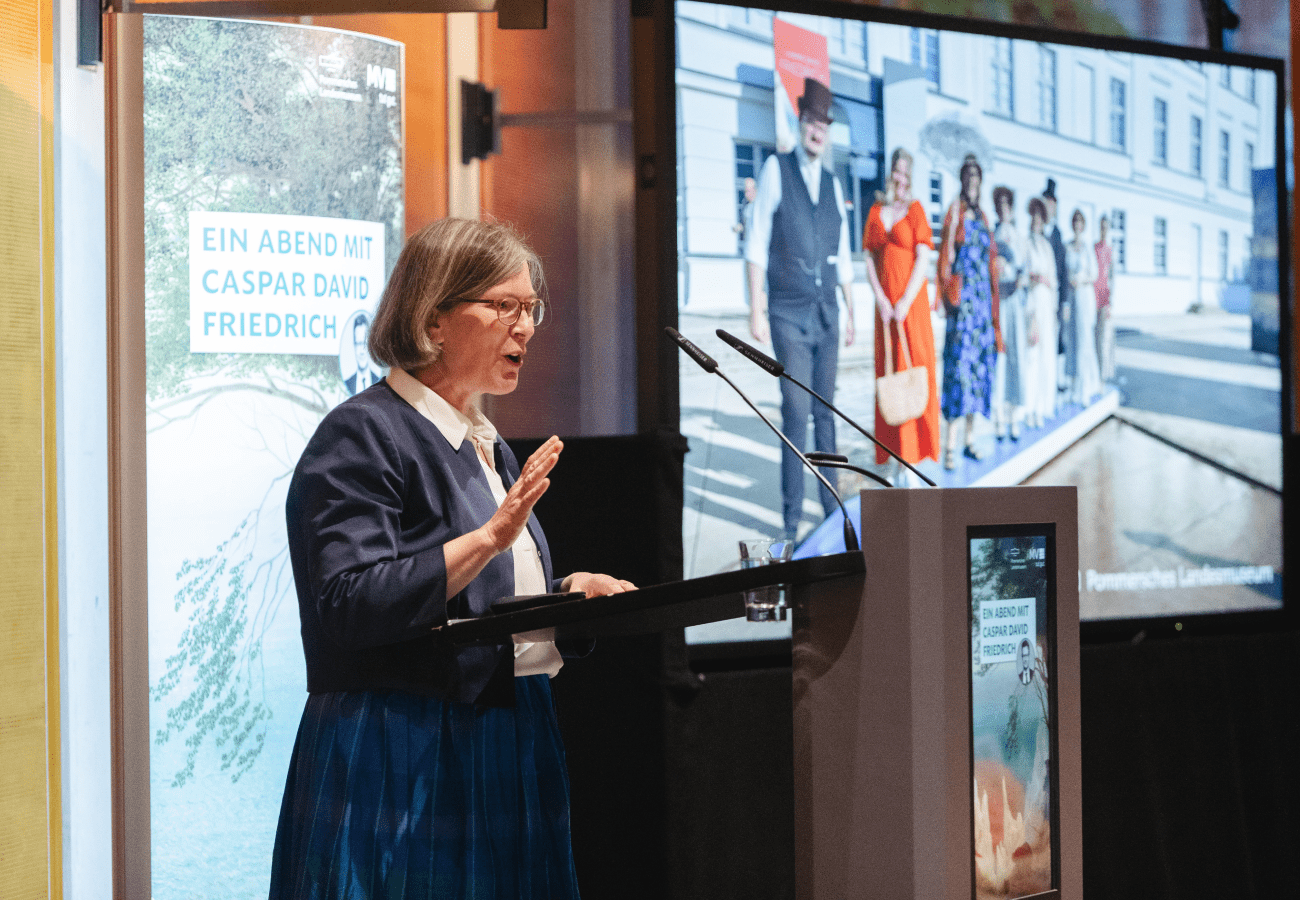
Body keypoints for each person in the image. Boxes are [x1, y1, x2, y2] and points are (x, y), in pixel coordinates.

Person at [269, 218, 635, 900]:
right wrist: (491, 538)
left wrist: (566, 594)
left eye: (531, 309)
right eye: (503, 306)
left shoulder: (486, 443)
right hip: (403, 743)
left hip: (510, 729)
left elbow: (476, 595)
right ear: (433, 320)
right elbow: (348, 603)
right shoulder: (364, 433)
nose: (524, 326)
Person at [745, 76, 855, 538]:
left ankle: (832, 510)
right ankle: (791, 520)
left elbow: (843, 251)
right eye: (811, 121)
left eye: (823, 124)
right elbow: (756, 243)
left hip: (827, 313)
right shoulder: (777, 168)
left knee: (825, 411)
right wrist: (756, 308)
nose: (816, 131)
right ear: (801, 122)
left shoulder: (832, 182)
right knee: (795, 410)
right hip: (788, 311)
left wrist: (852, 310)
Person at [863, 146, 938, 481]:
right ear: (891, 172)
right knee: (889, 373)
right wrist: (880, 298)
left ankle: (916, 456)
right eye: (897, 170)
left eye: (907, 172)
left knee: (914, 369)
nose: (901, 178)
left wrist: (905, 300)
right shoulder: (877, 209)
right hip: (884, 310)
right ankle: (894, 456)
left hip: (911, 306)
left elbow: (923, 257)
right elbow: (868, 257)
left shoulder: (916, 209)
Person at [937, 153, 1000, 470]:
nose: (972, 181)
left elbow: (990, 260)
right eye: (968, 175)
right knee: (958, 373)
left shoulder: (984, 216)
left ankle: (970, 440)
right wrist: (944, 298)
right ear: (963, 179)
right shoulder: (954, 211)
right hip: (963, 307)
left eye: (977, 176)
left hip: (983, 308)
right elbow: (945, 256)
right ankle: (949, 444)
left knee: (978, 375)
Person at [991, 185, 1027, 441]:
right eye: (1000, 205)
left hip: (1014, 301)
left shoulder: (1018, 236)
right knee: (999, 358)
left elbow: (1024, 268)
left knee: (1016, 357)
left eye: (1008, 205)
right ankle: (999, 419)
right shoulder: (992, 235)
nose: (1004, 209)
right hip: (998, 301)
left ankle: (1015, 415)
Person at [1024, 197, 1058, 428]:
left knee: (1047, 356)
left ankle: (1044, 405)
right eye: (1034, 216)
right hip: (1033, 304)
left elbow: (1053, 279)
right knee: (1032, 356)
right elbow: (1023, 275)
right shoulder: (1026, 244)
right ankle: (1030, 409)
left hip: (1047, 304)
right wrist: (1033, 279)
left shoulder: (1046, 247)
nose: (1037, 220)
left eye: (1040, 216)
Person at [1065, 209, 1101, 405]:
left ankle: (1086, 387)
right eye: (1075, 221)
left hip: (1084, 296)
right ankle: (1072, 386)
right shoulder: (1068, 247)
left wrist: (1082, 279)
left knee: (1085, 342)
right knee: (1072, 341)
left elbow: (1094, 274)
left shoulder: (1087, 248)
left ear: (1084, 225)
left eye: (1080, 222)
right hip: (1072, 298)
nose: (1077, 225)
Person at [1042, 179, 1070, 397]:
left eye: (1052, 203)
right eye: (1047, 203)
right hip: (1042, 295)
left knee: (1059, 338)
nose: (1049, 207)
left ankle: (1058, 379)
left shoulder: (1058, 235)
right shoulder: (1039, 232)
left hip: (1057, 296)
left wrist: (1065, 300)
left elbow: (1064, 270)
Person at [1094, 215, 1116, 382]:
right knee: (1093, 339)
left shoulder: (1110, 251)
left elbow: (1112, 279)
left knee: (1104, 340)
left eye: (1106, 227)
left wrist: (1109, 303)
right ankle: (1094, 375)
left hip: (1104, 301)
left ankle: (1102, 376)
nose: (1103, 230)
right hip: (1093, 300)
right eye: (1101, 227)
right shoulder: (1094, 248)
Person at [343, 313, 380, 395]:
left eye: (364, 344)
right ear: (354, 345)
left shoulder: (380, 384)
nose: (362, 351)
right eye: (358, 344)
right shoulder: (348, 383)